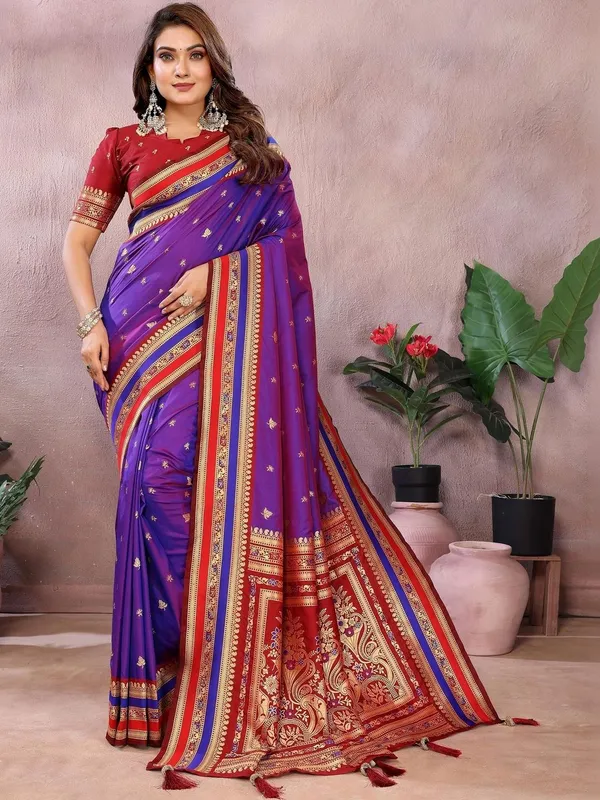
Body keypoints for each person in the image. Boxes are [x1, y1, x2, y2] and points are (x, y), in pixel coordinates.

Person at [62, 3, 506, 794]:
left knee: (181, 486)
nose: (181, 69)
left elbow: (286, 255)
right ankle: (172, 667)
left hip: (217, 345)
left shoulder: (252, 158)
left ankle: (212, 663)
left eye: (195, 55)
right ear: (149, 71)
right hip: (133, 342)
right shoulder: (122, 144)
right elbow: (78, 240)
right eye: (167, 56)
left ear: (214, 65)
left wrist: (219, 276)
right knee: (147, 491)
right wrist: (90, 321)